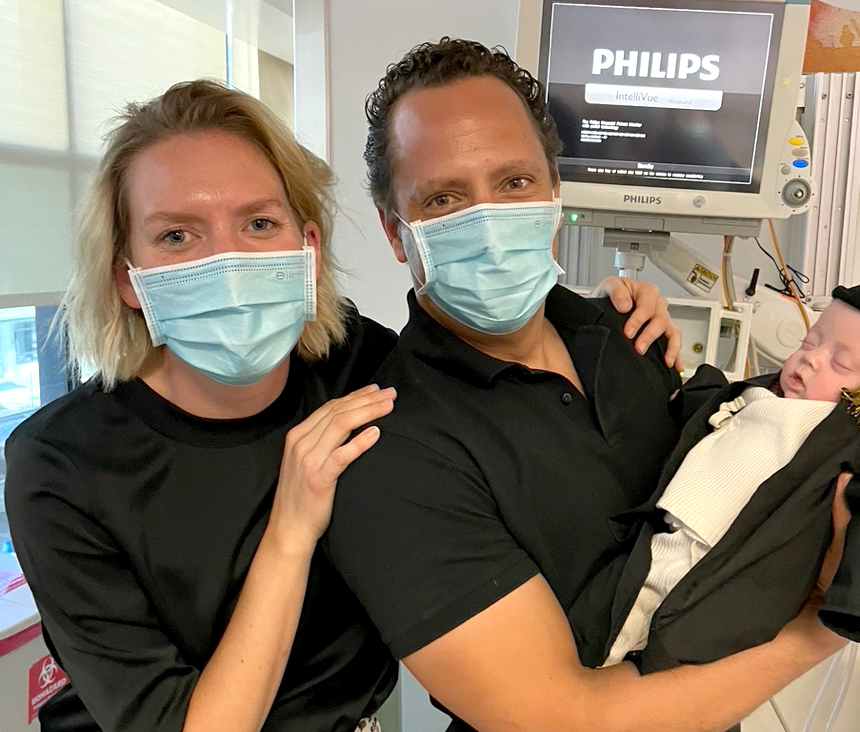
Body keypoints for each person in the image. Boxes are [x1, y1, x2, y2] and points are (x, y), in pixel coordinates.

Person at [325, 38, 860, 732]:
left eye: (514, 183)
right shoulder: (390, 457)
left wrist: (858, 403)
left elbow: (740, 453)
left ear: (554, 190)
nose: (490, 222)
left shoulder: (627, 335)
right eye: (444, 198)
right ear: (396, 232)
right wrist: (824, 625)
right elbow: (562, 720)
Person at [3, 80, 675, 732]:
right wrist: (289, 534)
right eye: (177, 236)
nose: (228, 262)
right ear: (128, 277)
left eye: (259, 222)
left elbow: (491, 371)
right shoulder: (61, 465)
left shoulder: (358, 365)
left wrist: (605, 326)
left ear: (307, 247)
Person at [594, 204, 860, 671]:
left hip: (716, 576)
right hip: (653, 539)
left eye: (841, 363)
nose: (809, 360)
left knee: (649, 643)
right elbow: (695, 407)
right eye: (810, 342)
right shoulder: (757, 395)